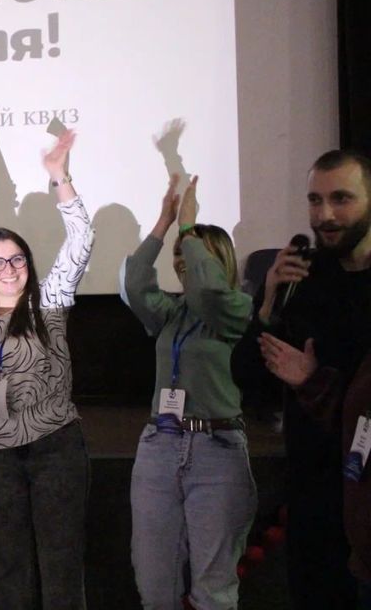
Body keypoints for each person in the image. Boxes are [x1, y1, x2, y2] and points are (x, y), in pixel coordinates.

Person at [0, 129, 93, 610]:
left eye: (16, 259)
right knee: (10, 566)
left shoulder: (48, 304)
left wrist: (59, 176)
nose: (8, 268)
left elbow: (81, 240)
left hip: (55, 449)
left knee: (60, 564)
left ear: (28, 265)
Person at [232, 150, 371, 609]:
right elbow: (249, 379)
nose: (325, 214)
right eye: (315, 200)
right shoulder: (302, 277)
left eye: (341, 199)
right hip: (312, 496)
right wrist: (269, 303)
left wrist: (314, 381)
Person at [121, 175, 256, 610]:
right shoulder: (172, 313)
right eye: (179, 255)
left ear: (217, 261)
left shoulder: (235, 309)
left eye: (192, 255)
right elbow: (134, 284)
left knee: (212, 590)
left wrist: (188, 228)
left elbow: (211, 291)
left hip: (216, 451)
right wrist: (164, 225)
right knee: (153, 580)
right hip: (160, 446)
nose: (182, 262)